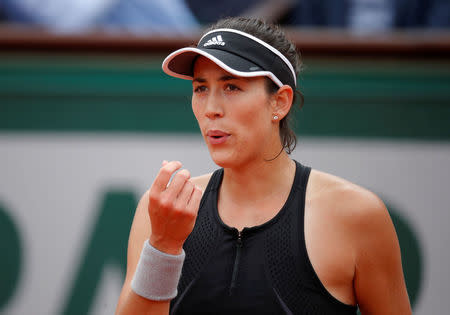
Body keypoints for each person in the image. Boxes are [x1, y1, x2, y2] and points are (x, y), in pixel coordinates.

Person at [115, 17, 412, 314]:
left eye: (231, 87)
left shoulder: (357, 215)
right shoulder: (162, 213)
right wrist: (163, 247)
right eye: (200, 88)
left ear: (280, 102)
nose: (211, 109)